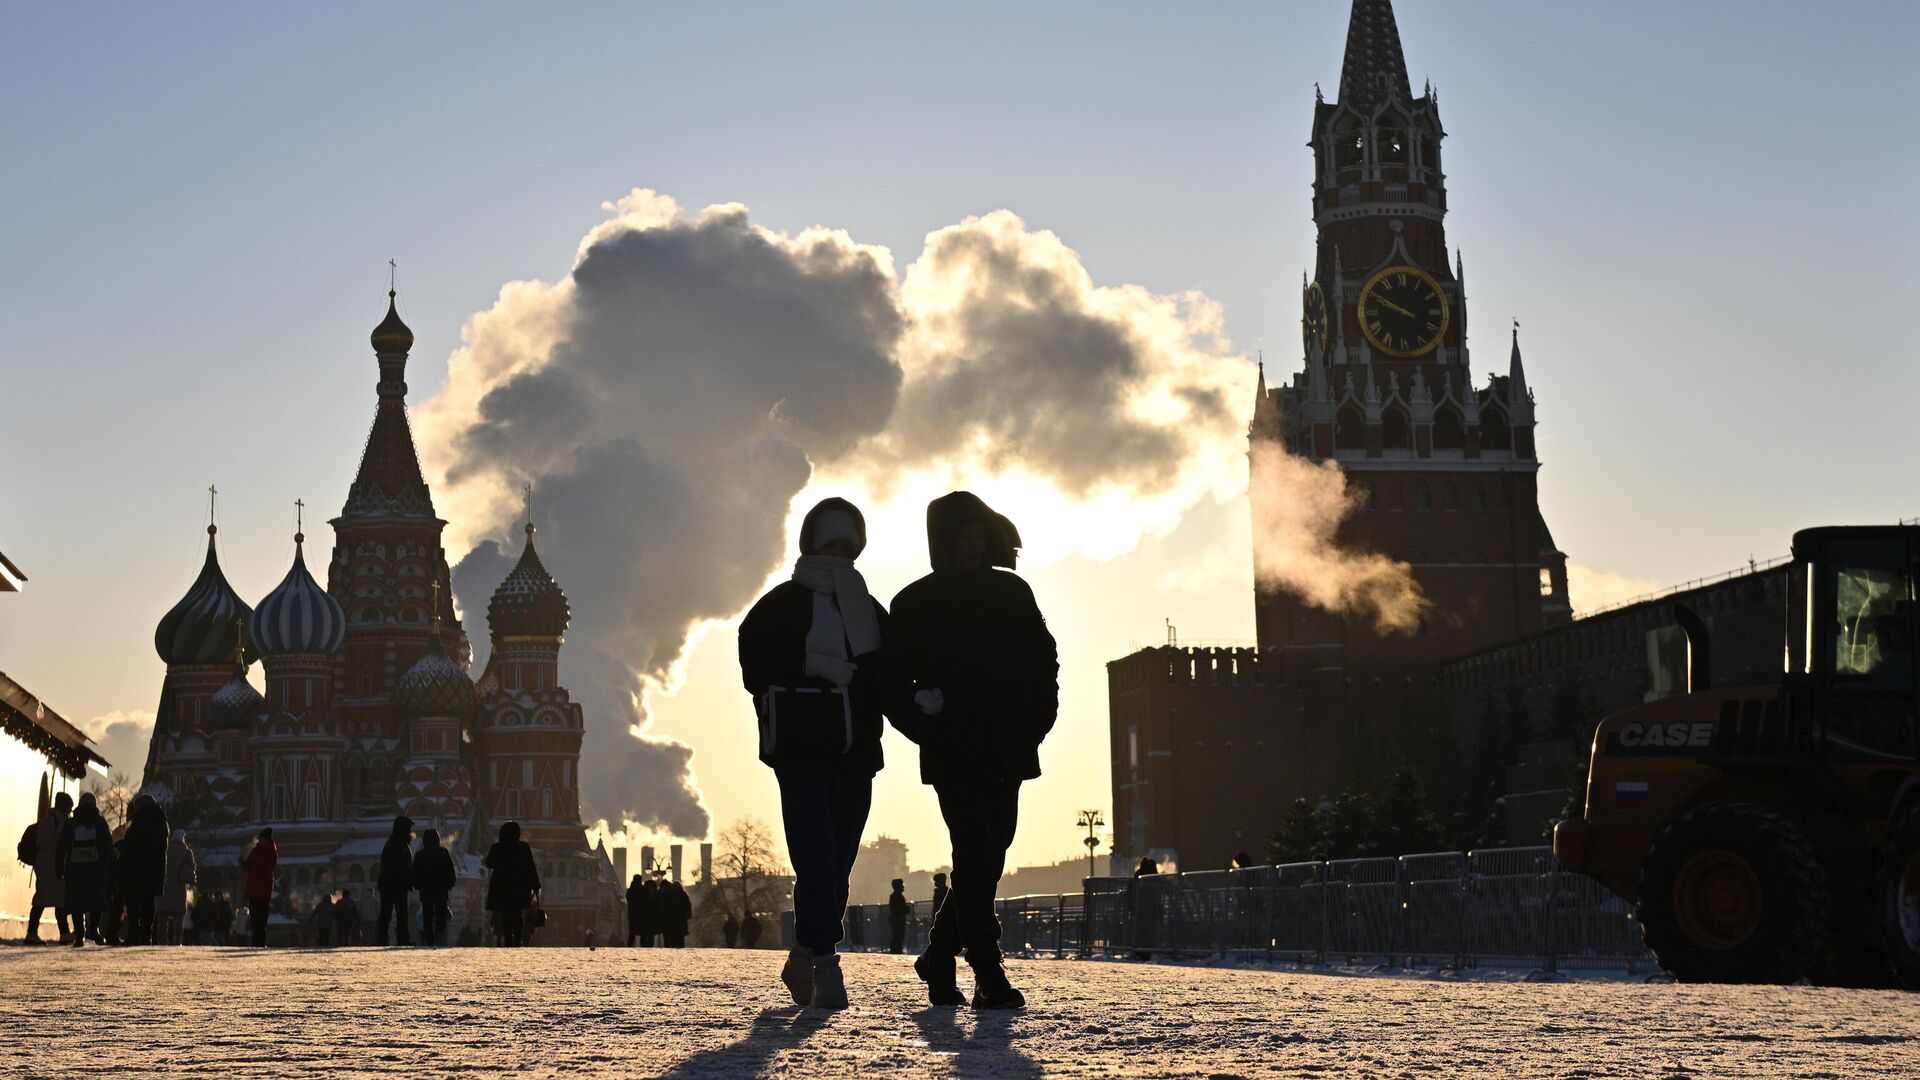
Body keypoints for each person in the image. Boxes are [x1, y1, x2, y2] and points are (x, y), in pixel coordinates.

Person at [890, 492, 1058, 1010]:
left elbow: (1043, 659)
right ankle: (987, 966)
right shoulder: (913, 602)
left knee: (991, 853)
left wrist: (1038, 721)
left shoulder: (1012, 592)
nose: (969, 547)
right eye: (959, 538)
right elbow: (893, 683)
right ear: (941, 542)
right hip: (954, 749)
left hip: (1008, 745)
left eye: (976, 537)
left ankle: (939, 955)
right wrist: (924, 721)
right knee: (974, 849)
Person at [738, 497, 899, 1011]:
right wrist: (812, 665)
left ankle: (802, 955)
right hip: (801, 749)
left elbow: (887, 674)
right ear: (811, 543)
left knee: (841, 857)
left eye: (847, 545)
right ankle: (827, 962)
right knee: (816, 853)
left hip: (855, 749)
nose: (839, 552)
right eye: (830, 542)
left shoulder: (868, 608)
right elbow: (754, 662)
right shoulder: (781, 603)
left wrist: (917, 698)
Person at [57, 791, 115, 948]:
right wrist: (112, 865)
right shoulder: (100, 823)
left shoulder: (71, 823)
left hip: (75, 870)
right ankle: (94, 930)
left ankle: (79, 934)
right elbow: (108, 846)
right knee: (96, 899)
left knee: (77, 900)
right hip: (97, 870)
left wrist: (59, 866)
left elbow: (62, 845)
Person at [121, 793, 170, 946]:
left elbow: (131, 845)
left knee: (134, 902)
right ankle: (147, 936)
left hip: (137, 868)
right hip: (155, 869)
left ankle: (134, 935)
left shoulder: (140, 821)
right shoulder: (162, 822)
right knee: (149, 902)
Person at [483, 820, 540, 947]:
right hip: (520, 886)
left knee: (506, 913)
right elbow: (530, 867)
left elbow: (489, 863)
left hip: (501, 886)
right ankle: (517, 937)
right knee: (517, 912)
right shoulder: (523, 847)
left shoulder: (497, 847)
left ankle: (508, 938)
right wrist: (535, 885)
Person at [26, 791, 72, 945]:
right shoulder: (56, 821)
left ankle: (35, 932)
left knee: (47, 898)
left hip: (46, 863)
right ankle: (61, 933)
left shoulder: (50, 819)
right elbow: (49, 842)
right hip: (50, 863)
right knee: (53, 899)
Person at [412, 828, 456, 947]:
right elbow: (450, 871)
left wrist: (417, 885)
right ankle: (438, 936)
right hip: (441, 890)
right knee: (441, 915)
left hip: (426, 891)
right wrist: (450, 884)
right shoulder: (443, 852)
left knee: (427, 915)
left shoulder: (420, 854)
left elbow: (415, 873)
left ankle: (430, 939)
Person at [376, 815, 415, 946]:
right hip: (393, 885)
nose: (410, 831)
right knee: (392, 913)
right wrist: (407, 879)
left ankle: (397, 937)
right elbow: (399, 867)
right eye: (408, 828)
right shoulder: (396, 845)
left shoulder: (398, 843)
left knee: (397, 913)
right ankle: (388, 938)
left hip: (394, 885)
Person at [155, 827, 197, 945]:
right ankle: (177, 942)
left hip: (163, 888)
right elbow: (192, 867)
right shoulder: (186, 850)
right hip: (178, 888)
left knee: (162, 917)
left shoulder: (165, 848)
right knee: (178, 918)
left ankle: (162, 942)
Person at [242, 828, 278, 947]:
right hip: (254, 889)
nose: (259, 840)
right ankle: (256, 942)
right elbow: (250, 863)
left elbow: (267, 869)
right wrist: (246, 864)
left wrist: (252, 866)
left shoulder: (270, 851)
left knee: (261, 919)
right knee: (254, 919)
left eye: (262, 838)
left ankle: (260, 942)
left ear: (267, 840)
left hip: (263, 890)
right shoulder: (256, 850)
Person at [662, 877, 692, 948]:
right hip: (681, 919)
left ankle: (674, 946)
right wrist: (687, 915)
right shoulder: (684, 895)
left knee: (673, 936)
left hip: (673, 919)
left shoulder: (670, 895)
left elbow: (667, 907)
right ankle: (680, 947)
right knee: (680, 936)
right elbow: (688, 906)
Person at [625, 875, 650, 947]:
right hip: (642, 914)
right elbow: (648, 899)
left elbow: (628, 899)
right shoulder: (643, 890)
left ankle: (629, 946)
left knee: (632, 933)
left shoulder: (630, 890)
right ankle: (643, 946)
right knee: (643, 933)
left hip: (632, 914)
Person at [888, 879, 911, 954]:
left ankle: (896, 950)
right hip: (898, 919)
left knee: (898, 936)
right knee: (898, 936)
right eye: (901, 885)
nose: (903, 887)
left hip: (897, 919)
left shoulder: (895, 896)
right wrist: (906, 909)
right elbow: (898, 909)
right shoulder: (897, 896)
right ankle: (896, 950)